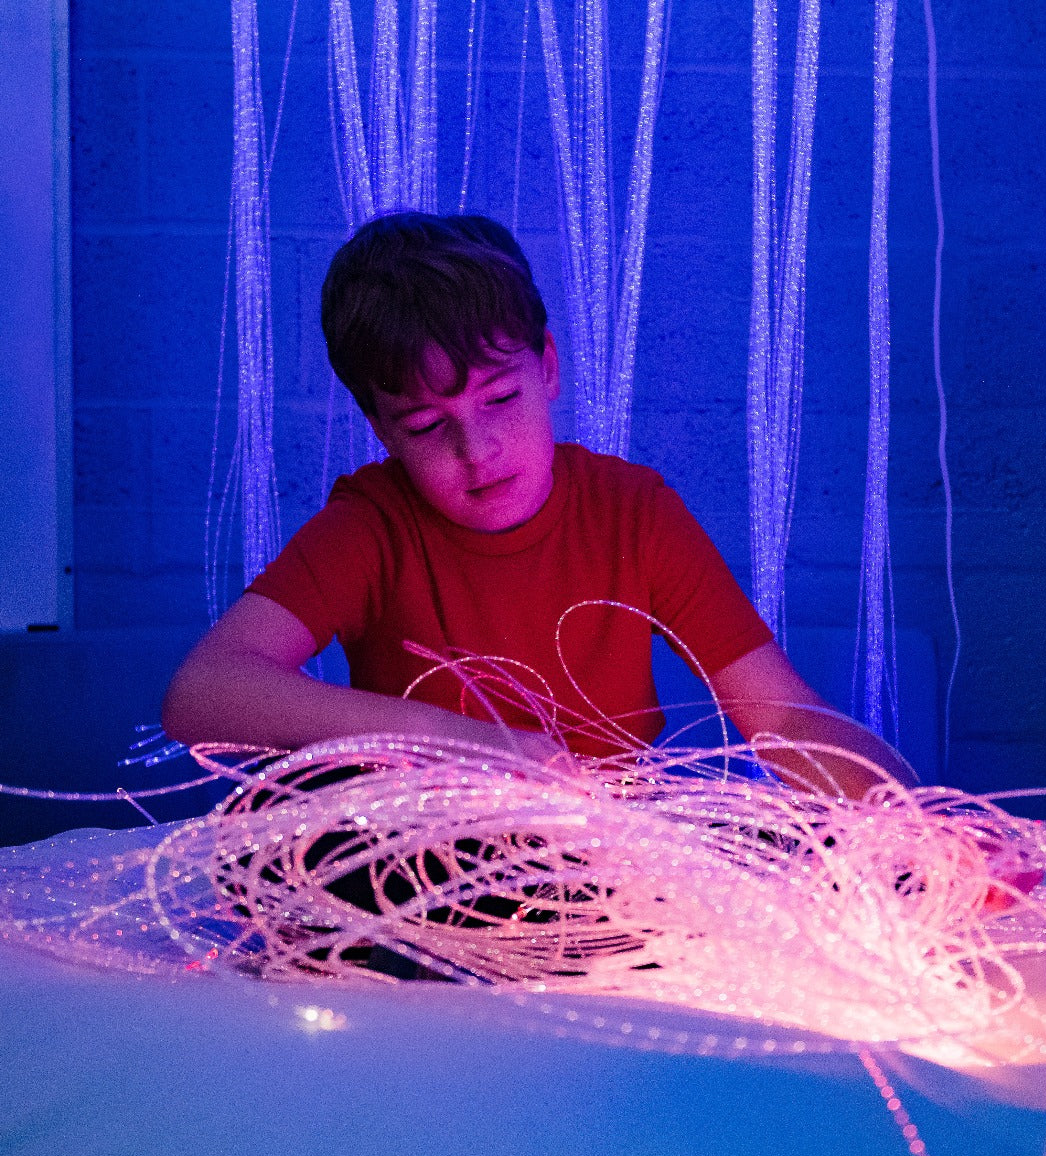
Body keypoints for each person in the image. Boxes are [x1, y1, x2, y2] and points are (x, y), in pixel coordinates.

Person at [162, 211, 913, 797]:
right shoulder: (374, 525)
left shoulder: (633, 513)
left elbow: (780, 717)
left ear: (547, 368)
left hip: (607, 877)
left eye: (500, 398)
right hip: (424, 881)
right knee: (272, 831)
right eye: (426, 426)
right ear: (381, 427)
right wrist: (471, 745)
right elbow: (205, 691)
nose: (476, 449)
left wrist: (906, 823)